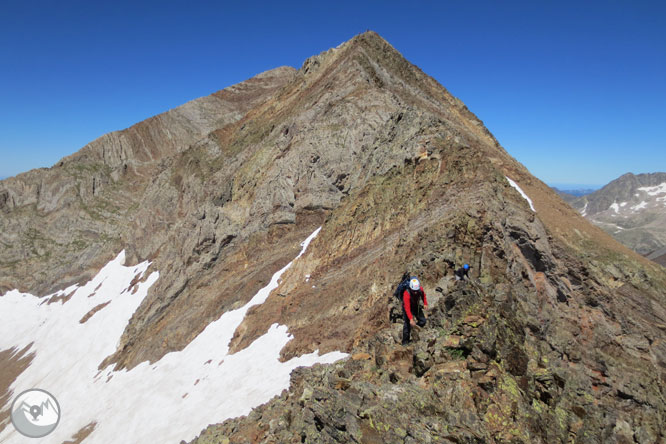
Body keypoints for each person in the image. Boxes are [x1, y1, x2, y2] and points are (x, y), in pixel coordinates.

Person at [401, 277, 428, 345]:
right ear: (410, 288)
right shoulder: (406, 294)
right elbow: (407, 308)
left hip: (415, 305)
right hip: (407, 307)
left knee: (423, 321)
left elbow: (423, 295)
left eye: (416, 290)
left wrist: (425, 303)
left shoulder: (420, 289)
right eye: (414, 291)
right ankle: (405, 341)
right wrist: (411, 319)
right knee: (407, 324)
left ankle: (416, 329)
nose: (415, 292)